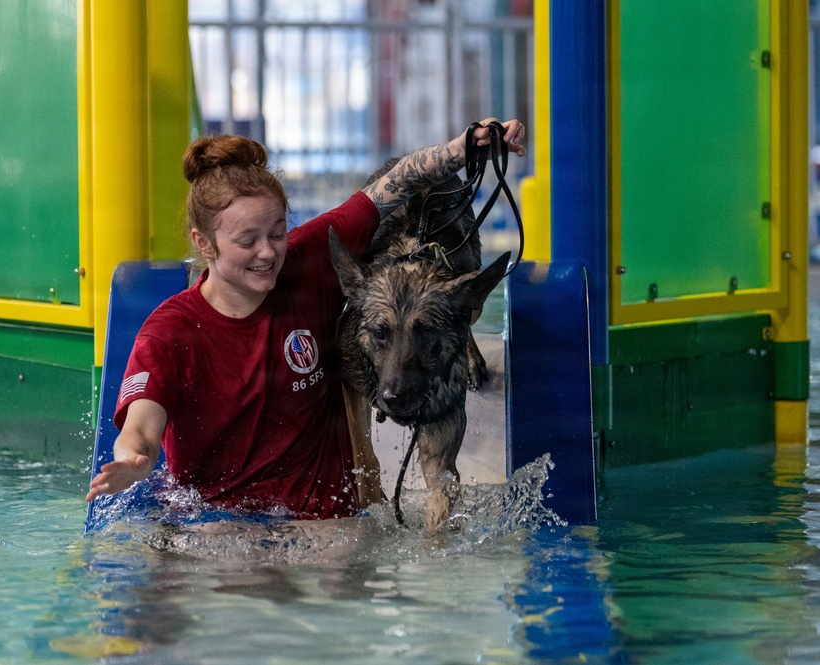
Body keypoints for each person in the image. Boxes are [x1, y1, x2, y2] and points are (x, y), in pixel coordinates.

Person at [85, 118, 526, 519]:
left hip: (324, 522)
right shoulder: (170, 330)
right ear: (205, 243)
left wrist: (465, 147)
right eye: (247, 241)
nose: (268, 252)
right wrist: (133, 460)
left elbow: (395, 183)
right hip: (219, 526)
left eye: (278, 232)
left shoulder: (307, 260)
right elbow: (141, 428)